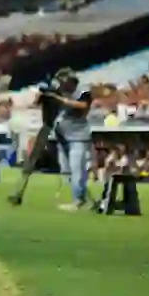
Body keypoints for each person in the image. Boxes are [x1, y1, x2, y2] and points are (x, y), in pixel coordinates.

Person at [49, 70, 94, 212]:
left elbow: (82, 106)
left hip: (78, 137)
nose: (61, 85)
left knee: (77, 170)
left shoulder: (83, 92)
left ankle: (78, 201)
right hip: (63, 137)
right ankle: (86, 200)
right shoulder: (61, 93)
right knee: (67, 170)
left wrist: (60, 99)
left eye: (62, 82)